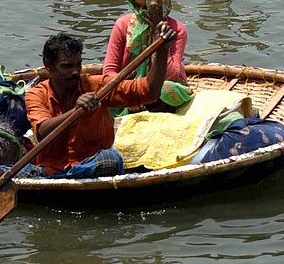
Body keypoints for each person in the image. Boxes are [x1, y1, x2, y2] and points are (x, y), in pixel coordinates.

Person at [23, 26, 175, 177]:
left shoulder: (97, 86)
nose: (75, 71)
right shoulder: (36, 94)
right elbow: (43, 131)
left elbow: (149, 92)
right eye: (67, 66)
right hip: (51, 170)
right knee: (2, 170)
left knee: (111, 159)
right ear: (48, 65)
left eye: (78, 65)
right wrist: (77, 111)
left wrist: (162, 52)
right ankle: (62, 178)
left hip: (92, 165)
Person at [103, 0, 191, 111]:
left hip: (161, 86)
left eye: (147, 8)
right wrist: (132, 92)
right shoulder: (122, 25)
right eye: (137, 7)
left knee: (164, 92)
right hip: (128, 86)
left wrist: (159, 40)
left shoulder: (177, 29)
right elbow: (109, 70)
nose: (141, 12)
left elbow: (172, 74)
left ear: (161, 7)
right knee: (103, 100)